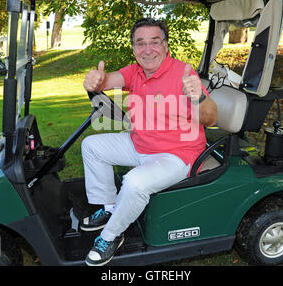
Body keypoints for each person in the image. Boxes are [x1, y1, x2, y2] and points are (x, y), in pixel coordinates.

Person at [81, 18, 218, 266]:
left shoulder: (183, 73)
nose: (147, 49)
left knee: (134, 182)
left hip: (177, 155)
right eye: (140, 43)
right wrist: (94, 80)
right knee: (91, 146)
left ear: (165, 45)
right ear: (133, 49)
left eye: (154, 42)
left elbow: (210, 118)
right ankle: (111, 208)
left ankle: (111, 236)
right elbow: (107, 81)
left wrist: (197, 98)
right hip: (140, 144)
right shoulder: (134, 71)